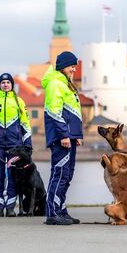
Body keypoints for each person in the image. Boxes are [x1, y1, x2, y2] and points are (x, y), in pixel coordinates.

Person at [0, 73, 32, 217]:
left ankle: (10, 208)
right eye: (3, 82)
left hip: (14, 146)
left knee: (12, 176)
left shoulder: (19, 102)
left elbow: (25, 125)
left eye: (8, 82)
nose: (5, 85)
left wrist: (28, 145)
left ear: (12, 85)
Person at [41, 51, 82, 225]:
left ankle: (61, 208)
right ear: (63, 66)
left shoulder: (65, 83)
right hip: (61, 138)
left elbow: (73, 112)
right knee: (59, 174)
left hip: (70, 136)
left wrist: (76, 135)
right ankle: (52, 212)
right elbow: (54, 112)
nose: (74, 69)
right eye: (72, 66)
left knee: (67, 174)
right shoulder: (56, 84)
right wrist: (64, 135)